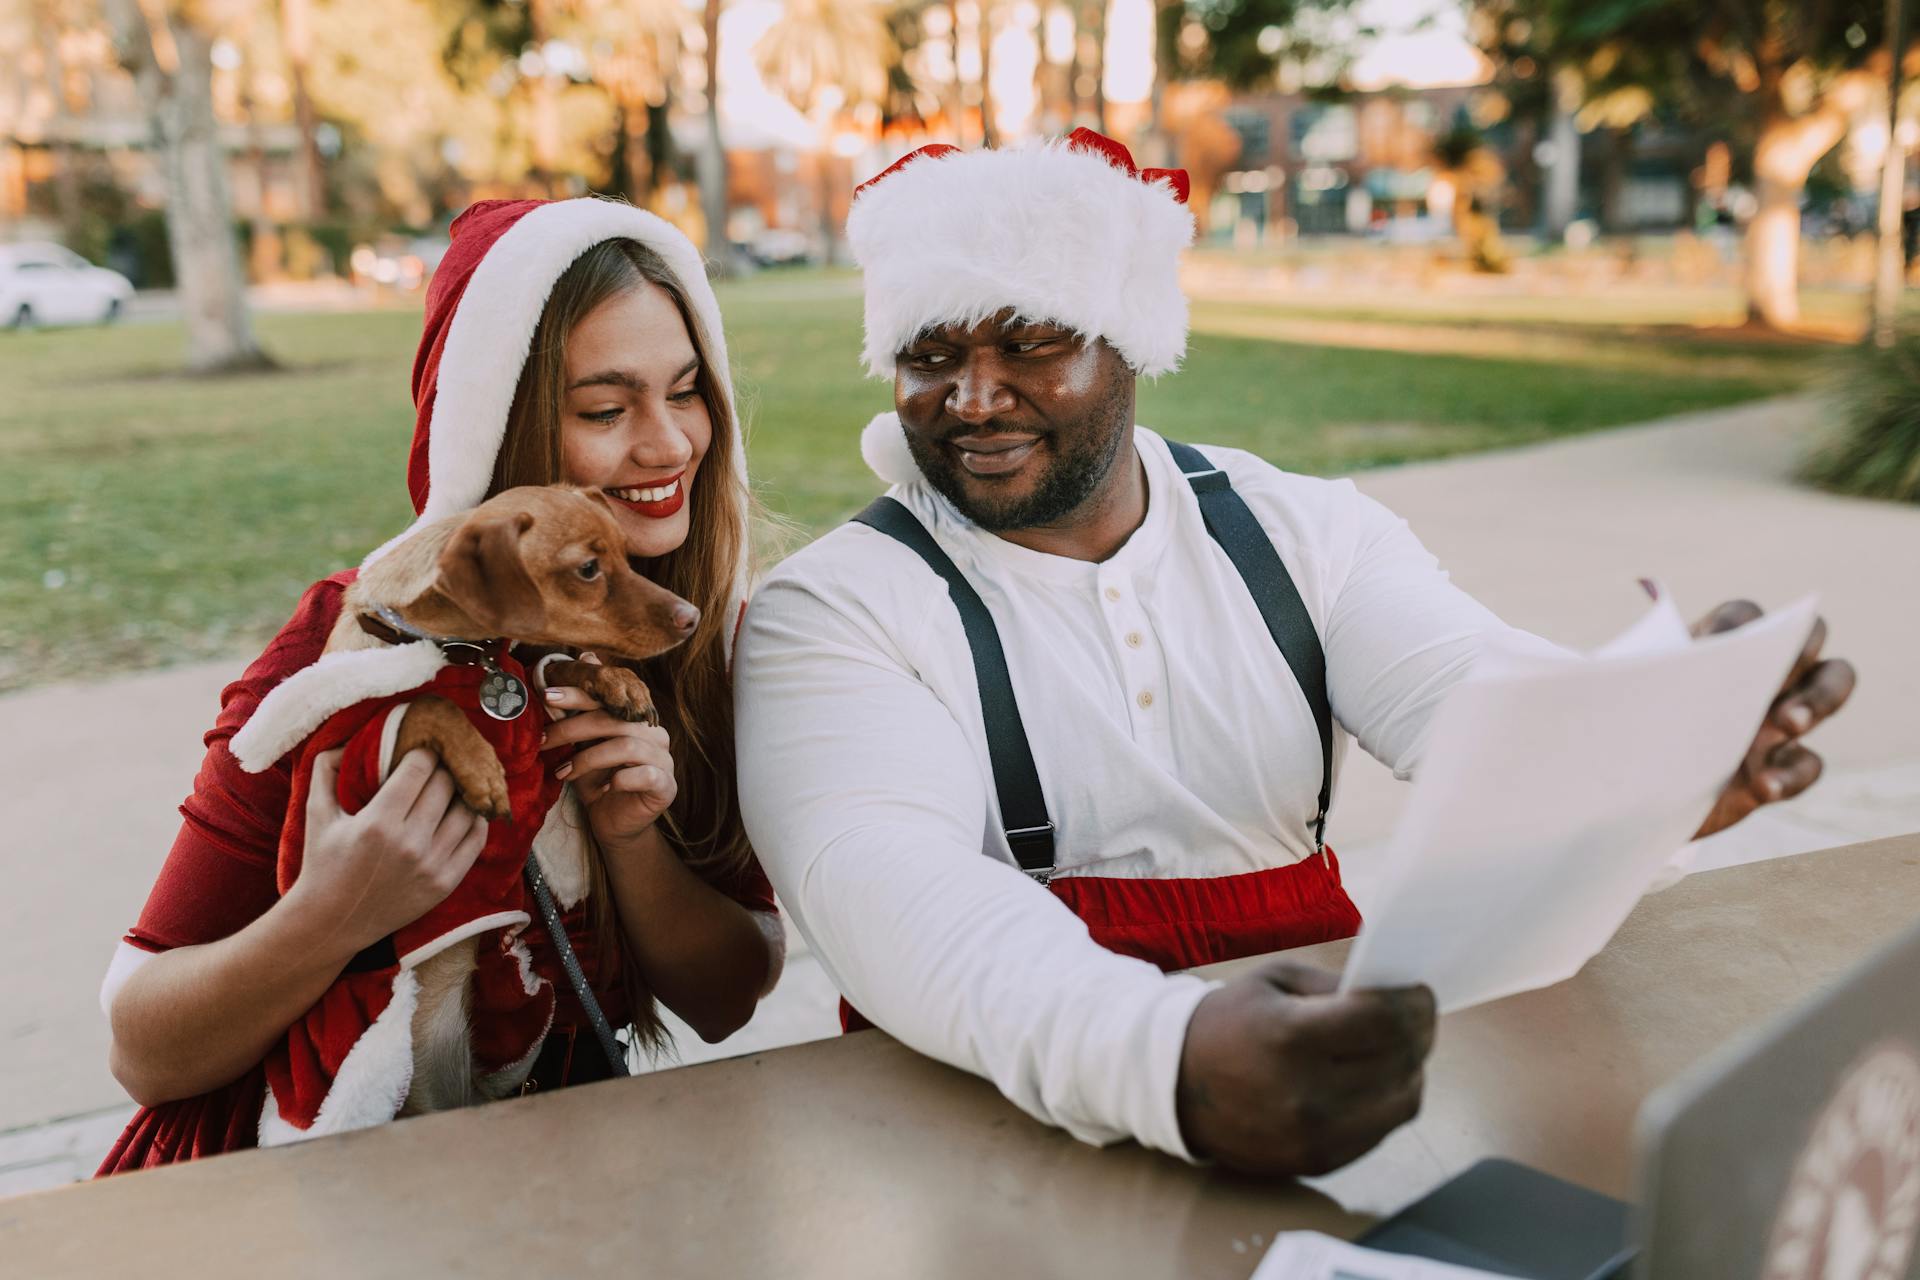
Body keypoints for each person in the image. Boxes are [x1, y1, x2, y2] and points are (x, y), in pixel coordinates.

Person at [733, 131, 1855, 1177]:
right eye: (930, 355)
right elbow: (889, 891)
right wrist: (1165, 1057)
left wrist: (1655, 754)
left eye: (1029, 340)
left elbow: (1486, 705)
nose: (974, 397)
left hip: (1332, 1082)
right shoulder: (833, 608)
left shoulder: (1302, 531)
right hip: (979, 1134)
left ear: (1129, 338)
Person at [98, 197, 784, 1172]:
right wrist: (335, 912)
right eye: (604, 406)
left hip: (568, 1163)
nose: (669, 442)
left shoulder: (693, 637)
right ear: (495, 423)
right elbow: (143, 1048)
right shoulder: (354, 645)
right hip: (307, 1170)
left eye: (687, 390)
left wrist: (631, 833)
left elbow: (725, 1000)